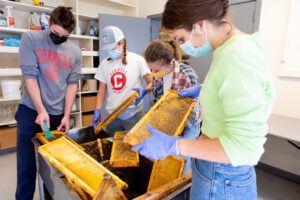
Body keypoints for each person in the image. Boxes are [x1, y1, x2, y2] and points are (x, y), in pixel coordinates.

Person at [132, 0, 276, 199]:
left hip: (222, 177)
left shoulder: (239, 55)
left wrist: (174, 145)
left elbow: (243, 148)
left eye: (181, 39)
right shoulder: (227, 50)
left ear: (200, 24)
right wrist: (204, 89)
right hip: (213, 166)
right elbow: (231, 87)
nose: (182, 46)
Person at [15, 6, 81, 200]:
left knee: (53, 169)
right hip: (30, 111)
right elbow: (30, 76)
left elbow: (72, 85)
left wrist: (67, 115)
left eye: (64, 36)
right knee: (26, 167)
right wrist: (40, 109)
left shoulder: (75, 52)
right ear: (49, 23)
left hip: (58, 115)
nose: (59, 39)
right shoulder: (31, 39)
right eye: (55, 34)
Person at [144, 39, 201, 175]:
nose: (152, 72)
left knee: (180, 168)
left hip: (188, 126)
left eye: (156, 69)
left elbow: (193, 112)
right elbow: (158, 102)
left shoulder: (187, 75)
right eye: (150, 69)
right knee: (164, 166)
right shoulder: (159, 76)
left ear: (169, 64)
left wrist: (175, 136)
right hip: (169, 122)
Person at [93, 26, 152, 134]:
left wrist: (145, 91)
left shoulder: (137, 60)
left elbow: (151, 82)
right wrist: (98, 108)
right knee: (113, 144)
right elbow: (102, 90)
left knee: (133, 146)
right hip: (112, 115)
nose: (110, 51)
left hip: (133, 114)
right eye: (108, 49)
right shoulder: (104, 64)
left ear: (122, 43)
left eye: (113, 48)